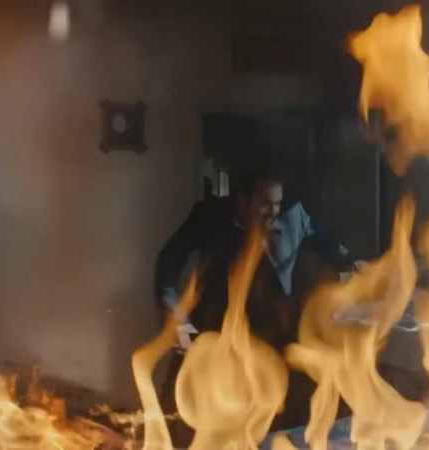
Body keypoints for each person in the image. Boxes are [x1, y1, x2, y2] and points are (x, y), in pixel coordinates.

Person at [153, 165, 358, 442]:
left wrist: (352, 269)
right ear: (242, 199)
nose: (273, 212)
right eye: (264, 204)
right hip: (214, 332)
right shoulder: (209, 217)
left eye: (277, 203)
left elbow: (331, 245)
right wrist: (175, 316)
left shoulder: (293, 216)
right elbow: (169, 263)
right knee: (182, 417)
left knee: (275, 420)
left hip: (272, 336)